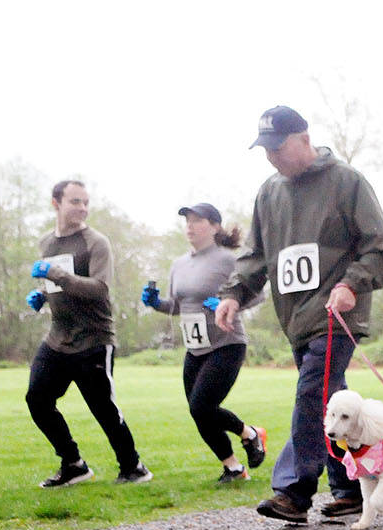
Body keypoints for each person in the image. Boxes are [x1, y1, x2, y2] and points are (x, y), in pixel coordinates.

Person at [215, 106, 383, 524]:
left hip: (335, 315)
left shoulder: (347, 182)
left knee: (312, 395)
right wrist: (233, 294)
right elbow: (254, 256)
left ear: (303, 139)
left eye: (278, 148)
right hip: (295, 321)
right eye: (265, 150)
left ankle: (293, 492)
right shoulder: (268, 193)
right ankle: (352, 489)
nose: (272, 158)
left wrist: (352, 283)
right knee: (330, 401)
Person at [25, 180, 152, 487]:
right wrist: (43, 295)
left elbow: (100, 289)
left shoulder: (96, 242)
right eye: (75, 202)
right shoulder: (47, 243)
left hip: (94, 339)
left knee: (103, 409)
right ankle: (73, 463)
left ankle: (133, 467)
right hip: (58, 337)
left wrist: (55, 274)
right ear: (56, 203)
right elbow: (59, 285)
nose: (82, 208)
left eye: (85, 202)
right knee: (37, 399)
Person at [142, 203, 267, 483]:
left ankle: (250, 434)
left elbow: (258, 295)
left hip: (226, 343)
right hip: (194, 348)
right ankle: (234, 468)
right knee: (199, 413)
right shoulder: (179, 264)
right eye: (187, 221)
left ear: (214, 227)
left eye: (197, 220)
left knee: (202, 406)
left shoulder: (226, 259)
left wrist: (229, 303)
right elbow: (177, 305)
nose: (190, 226)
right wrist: (156, 303)